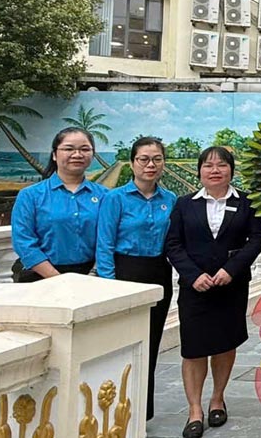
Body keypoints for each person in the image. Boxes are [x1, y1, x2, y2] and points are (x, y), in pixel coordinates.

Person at [165, 146, 261, 438]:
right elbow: (173, 244)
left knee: (225, 343)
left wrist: (230, 269)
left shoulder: (246, 203)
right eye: (208, 165)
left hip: (230, 287)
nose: (214, 170)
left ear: (231, 171)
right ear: (199, 171)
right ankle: (194, 410)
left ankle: (217, 398)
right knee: (194, 348)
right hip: (195, 288)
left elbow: (257, 238)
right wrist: (193, 275)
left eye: (221, 165)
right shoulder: (184, 204)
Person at [96, 137, 177, 421]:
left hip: (158, 275)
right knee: (120, 344)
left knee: (150, 343)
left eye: (157, 159)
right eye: (144, 159)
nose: (150, 164)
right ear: (132, 163)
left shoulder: (170, 200)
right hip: (124, 273)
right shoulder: (114, 198)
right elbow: (104, 244)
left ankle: (142, 411)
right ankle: (113, 410)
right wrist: (109, 285)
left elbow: (175, 243)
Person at [11, 128, 108, 282]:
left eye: (85, 149)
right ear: (55, 155)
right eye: (69, 149)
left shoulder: (105, 196)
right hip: (42, 276)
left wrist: (94, 273)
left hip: (93, 277)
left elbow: (109, 239)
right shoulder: (30, 195)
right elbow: (23, 242)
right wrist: (57, 279)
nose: (77, 154)